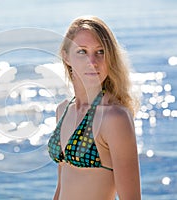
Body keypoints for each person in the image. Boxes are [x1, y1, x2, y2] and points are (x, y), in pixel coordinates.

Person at [48, 15, 141, 200]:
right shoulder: (63, 110)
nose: (92, 61)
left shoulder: (114, 118)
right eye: (82, 51)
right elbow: (62, 183)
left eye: (100, 52)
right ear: (66, 57)